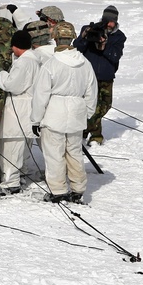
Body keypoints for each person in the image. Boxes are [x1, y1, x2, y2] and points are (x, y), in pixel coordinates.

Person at [30, 21, 98, 204]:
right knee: (74, 152)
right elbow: (92, 92)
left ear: (56, 38)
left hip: (54, 114)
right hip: (77, 113)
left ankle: (58, 190)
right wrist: (87, 114)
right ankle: (78, 189)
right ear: (72, 38)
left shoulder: (51, 65)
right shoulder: (85, 63)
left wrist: (35, 119)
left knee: (54, 154)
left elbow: (40, 95)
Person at [0, 29, 41, 197]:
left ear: (16, 46)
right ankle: (21, 175)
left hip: (18, 112)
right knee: (23, 148)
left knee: (10, 150)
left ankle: (10, 184)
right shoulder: (35, 60)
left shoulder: (24, 63)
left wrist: (1, 74)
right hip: (29, 110)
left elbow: (12, 85)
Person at [74, 4, 126, 144]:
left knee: (105, 105)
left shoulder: (119, 37)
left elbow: (115, 56)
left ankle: (84, 128)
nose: (109, 24)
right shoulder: (91, 30)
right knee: (91, 105)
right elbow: (77, 48)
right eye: (107, 20)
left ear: (116, 21)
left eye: (112, 21)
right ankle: (96, 136)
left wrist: (105, 45)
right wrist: (85, 37)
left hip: (106, 77)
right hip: (89, 77)